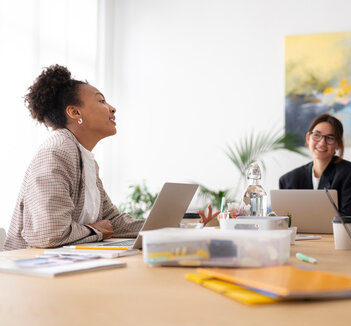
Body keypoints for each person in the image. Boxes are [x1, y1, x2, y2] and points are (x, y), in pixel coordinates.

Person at [5, 65, 218, 251]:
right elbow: (47, 233)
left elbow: (114, 222)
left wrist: (185, 226)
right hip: (28, 270)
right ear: (75, 112)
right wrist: (95, 231)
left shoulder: (85, 159)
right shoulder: (57, 151)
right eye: (101, 101)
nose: (112, 108)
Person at [279, 113, 351, 217]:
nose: (322, 143)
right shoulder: (288, 180)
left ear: (338, 144)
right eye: (317, 135)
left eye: (330, 138)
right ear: (308, 138)